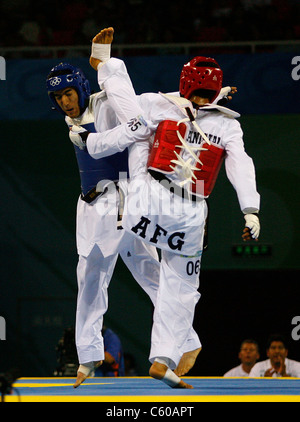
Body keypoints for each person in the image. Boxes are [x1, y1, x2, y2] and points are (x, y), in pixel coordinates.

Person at [70, 28, 260, 389]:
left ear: (184, 83)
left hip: (141, 202)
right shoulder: (229, 126)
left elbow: (134, 124)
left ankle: (107, 63)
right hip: (189, 217)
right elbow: (241, 164)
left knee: (136, 123)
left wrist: (92, 142)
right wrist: (250, 209)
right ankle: (163, 357)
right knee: (181, 287)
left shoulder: (160, 104)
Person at [46, 42, 163, 388]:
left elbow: (138, 101)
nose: (65, 101)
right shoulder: (73, 125)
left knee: (152, 274)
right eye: (59, 98)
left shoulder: (104, 103)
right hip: (93, 207)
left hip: (124, 199)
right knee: (91, 277)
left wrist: (103, 57)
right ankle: (88, 355)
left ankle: (181, 344)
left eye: (69, 93)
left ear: (81, 88)